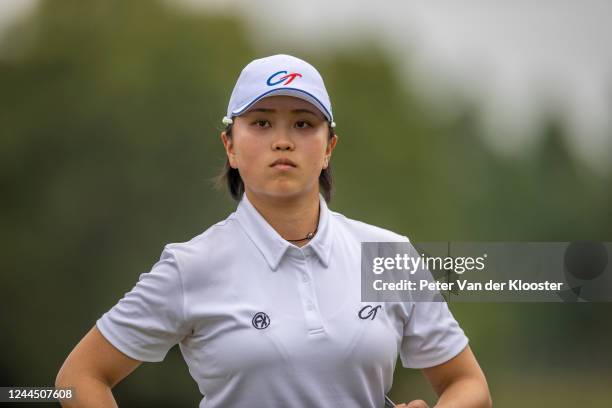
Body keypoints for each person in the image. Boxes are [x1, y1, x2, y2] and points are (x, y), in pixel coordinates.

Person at [56, 54, 491, 408]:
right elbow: (79, 378)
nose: (282, 140)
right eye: (261, 123)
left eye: (303, 124)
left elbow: (468, 385)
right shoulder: (191, 267)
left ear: (328, 148)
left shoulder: (386, 254)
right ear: (230, 145)